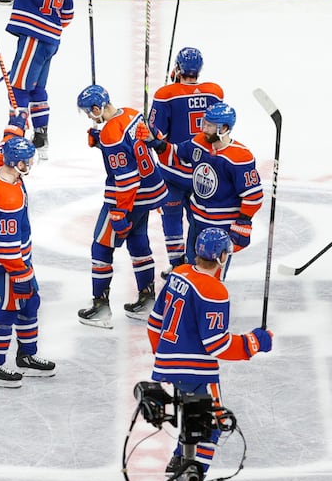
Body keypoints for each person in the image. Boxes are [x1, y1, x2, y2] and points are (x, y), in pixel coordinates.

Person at [147, 227, 274, 481]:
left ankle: (175, 467)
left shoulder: (178, 274)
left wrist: (166, 357)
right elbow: (217, 344)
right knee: (212, 423)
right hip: (197, 370)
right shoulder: (214, 291)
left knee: (193, 418)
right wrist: (255, 342)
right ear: (222, 256)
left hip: (169, 364)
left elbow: (154, 321)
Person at [75, 85, 168, 328]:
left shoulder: (111, 133)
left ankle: (101, 307)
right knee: (138, 241)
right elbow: (152, 137)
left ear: (97, 108)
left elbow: (126, 179)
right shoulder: (132, 113)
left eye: (89, 112)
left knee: (101, 247)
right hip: (151, 191)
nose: (89, 117)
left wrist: (119, 212)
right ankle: (148, 302)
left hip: (130, 197)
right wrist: (101, 143)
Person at [0, 130, 57, 387]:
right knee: (6, 310)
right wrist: (21, 273)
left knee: (30, 303)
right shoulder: (7, 198)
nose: (29, 164)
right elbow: (4, 248)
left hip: (17, 256)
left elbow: (0, 147)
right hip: (8, 263)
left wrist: (15, 130)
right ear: (13, 163)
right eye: (25, 161)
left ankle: (26, 356)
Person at [151, 101, 262, 273]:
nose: (204, 128)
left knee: (211, 276)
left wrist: (243, 222)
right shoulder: (199, 142)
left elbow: (253, 196)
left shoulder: (240, 157)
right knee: (190, 269)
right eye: (204, 123)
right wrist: (157, 144)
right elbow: (176, 154)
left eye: (209, 125)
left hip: (221, 227)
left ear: (224, 129)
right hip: (197, 220)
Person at [147, 46, 225, 270]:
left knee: (171, 217)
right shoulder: (214, 92)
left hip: (173, 170)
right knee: (198, 221)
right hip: (203, 173)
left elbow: (156, 133)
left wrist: (154, 112)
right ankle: (197, 266)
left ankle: (176, 265)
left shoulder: (166, 94)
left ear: (178, 67)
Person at [3, 0, 74, 159]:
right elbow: (67, 16)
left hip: (33, 38)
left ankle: (14, 140)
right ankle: (41, 137)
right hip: (51, 41)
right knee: (36, 88)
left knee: (17, 88)